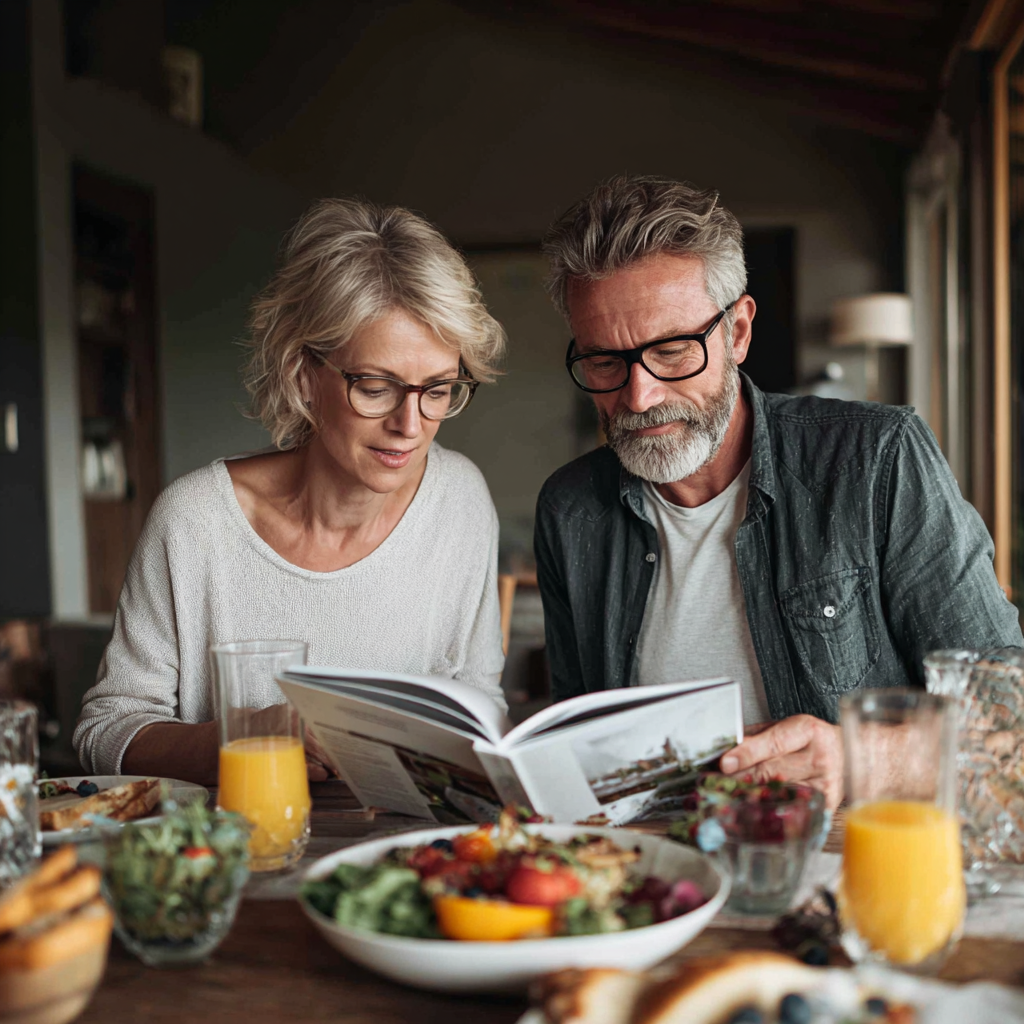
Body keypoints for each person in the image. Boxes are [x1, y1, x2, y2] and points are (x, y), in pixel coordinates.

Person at [534, 175, 1023, 810]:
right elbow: (575, 753)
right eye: (604, 362)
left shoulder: (876, 459)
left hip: (849, 869)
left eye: (674, 351)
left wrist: (858, 759)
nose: (639, 397)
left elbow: (1009, 721)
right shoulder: (569, 510)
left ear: (737, 331)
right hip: (652, 877)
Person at [75, 198, 507, 784]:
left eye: (438, 389)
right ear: (304, 376)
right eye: (377, 387)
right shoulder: (196, 522)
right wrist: (237, 740)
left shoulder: (460, 499)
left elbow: (480, 699)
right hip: (242, 860)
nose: (411, 425)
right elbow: (107, 728)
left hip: (413, 855)